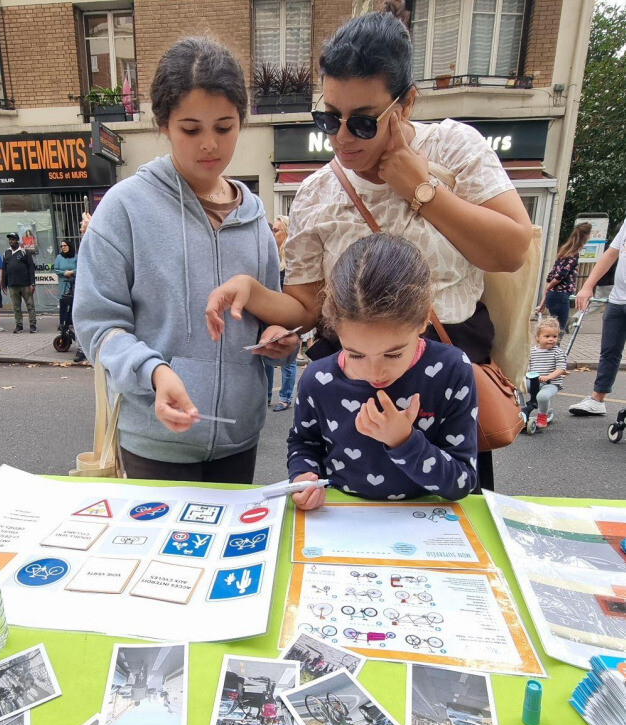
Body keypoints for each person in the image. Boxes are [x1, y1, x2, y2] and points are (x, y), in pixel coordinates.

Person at [205, 2, 531, 492]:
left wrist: (421, 190)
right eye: (328, 118)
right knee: (346, 515)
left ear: (406, 104)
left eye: (362, 121)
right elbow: (308, 306)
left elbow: (512, 249)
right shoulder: (317, 191)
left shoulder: (452, 149)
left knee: (448, 514)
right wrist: (253, 294)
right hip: (350, 380)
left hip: (442, 373)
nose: (340, 137)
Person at [73, 37, 281, 483]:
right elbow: (97, 325)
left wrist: (279, 338)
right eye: (191, 129)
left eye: (224, 128)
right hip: (154, 439)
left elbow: (268, 310)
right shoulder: (124, 207)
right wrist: (153, 371)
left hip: (239, 437)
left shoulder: (255, 215)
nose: (210, 145)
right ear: (164, 125)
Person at [286, 233, 478, 511]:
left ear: (425, 318)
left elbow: (462, 483)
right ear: (335, 328)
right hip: (341, 517)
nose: (375, 373)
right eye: (355, 354)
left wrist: (404, 441)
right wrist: (304, 476)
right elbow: (304, 442)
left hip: (424, 520)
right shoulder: (318, 379)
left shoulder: (451, 370)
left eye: (393, 354)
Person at [569, 218, 626, 417]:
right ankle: (597, 400)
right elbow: (611, 254)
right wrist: (587, 285)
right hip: (618, 299)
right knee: (609, 351)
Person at [265, 215, 298, 411]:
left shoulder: (293, 259)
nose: (272, 234)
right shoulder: (271, 255)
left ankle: (285, 397)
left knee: (288, 357)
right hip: (270, 314)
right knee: (267, 354)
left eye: (276, 230)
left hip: (287, 315)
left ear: (286, 233)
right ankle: (267, 396)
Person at [538, 221, 592, 336]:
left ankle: (549, 352)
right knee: (558, 331)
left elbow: (550, 275)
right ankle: (554, 353)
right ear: (586, 236)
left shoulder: (563, 252)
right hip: (561, 296)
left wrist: (545, 294)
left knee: (552, 328)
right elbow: (560, 276)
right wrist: (549, 287)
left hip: (553, 295)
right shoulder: (573, 254)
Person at [528, 316, 568, 428]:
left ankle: (542, 415)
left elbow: (561, 368)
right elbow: (527, 366)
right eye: (547, 336)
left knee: (543, 397)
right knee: (517, 388)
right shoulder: (532, 351)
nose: (551, 339)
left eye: (554, 336)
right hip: (534, 381)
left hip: (551, 383)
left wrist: (548, 377)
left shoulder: (557, 352)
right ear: (537, 337)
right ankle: (520, 409)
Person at [2, 232, 37, 333]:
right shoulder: (6, 253)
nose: (10, 241)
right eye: (9, 239)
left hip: (25, 284)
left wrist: (32, 283)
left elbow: (31, 268)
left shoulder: (24, 252)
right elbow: (4, 269)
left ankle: (32, 324)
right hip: (12, 285)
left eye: (12, 239)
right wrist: (4, 284)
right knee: (16, 307)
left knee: (30, 305)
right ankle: (19, 325)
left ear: (17, 240)